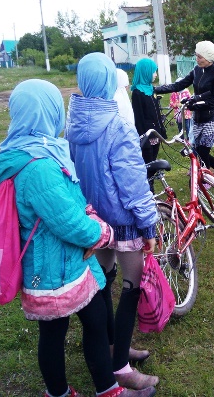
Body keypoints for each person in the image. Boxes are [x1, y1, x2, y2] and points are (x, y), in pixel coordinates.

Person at [0, 79, 154, 397]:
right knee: (55, 333)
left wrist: (89, 213)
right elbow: (68, 222)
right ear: (45, 112)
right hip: (53, 271)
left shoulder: (39, 150)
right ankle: (67, 392)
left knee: (90, 321)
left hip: (66, 262)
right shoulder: (38, 167)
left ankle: (104, 388)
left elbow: (72, 201)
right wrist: (103, 232)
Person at [66, 52, 160, 391]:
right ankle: (120, 365)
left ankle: (111, 348)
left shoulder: (71, 124)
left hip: (94, 221)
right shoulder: (118, 126)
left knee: (104, 283)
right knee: (130, 288)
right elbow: (133, 184)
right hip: (123, 221)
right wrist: (148, 226)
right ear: (110, 81)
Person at [154, 40, 214, 184]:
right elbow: (179, 85)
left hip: (212, 118)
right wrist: (156, 89)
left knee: (203, 151)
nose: (197, 59)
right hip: (198, 117)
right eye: (196, 56)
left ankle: (204, 182)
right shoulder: (196, 70)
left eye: (200, 57)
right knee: (196, 150)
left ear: (208, 58)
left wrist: (192, 105)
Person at [131, 58, 167, 168]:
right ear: (145, 72)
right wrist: (143, 138)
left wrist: (161, 129)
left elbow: (157, 112)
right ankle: (148, 179)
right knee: (148, 162)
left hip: (155, 133)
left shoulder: (151, 89)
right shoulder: (137, 93)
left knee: (154, 161)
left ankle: (151, 177)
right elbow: (138, 118)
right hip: (147, 135)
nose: (156, 75)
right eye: (153, 72)